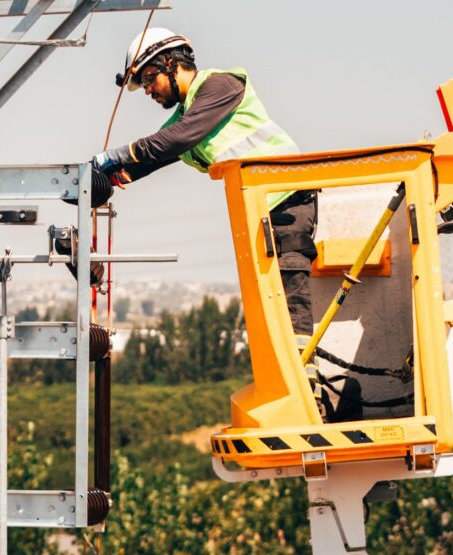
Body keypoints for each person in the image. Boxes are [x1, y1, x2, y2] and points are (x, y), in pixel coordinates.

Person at [92, 28, 321, 399]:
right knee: (270, 303)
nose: (148, 91)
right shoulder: (189, 112)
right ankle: (290, 386)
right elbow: (157, 154)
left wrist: (115, 156)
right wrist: (104, 179)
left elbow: (177, 139)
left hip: (288, 200)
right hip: (260, 209)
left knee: (289, 292)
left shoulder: (220, 86)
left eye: (148, 79)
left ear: (171, 63)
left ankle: (306, 392)